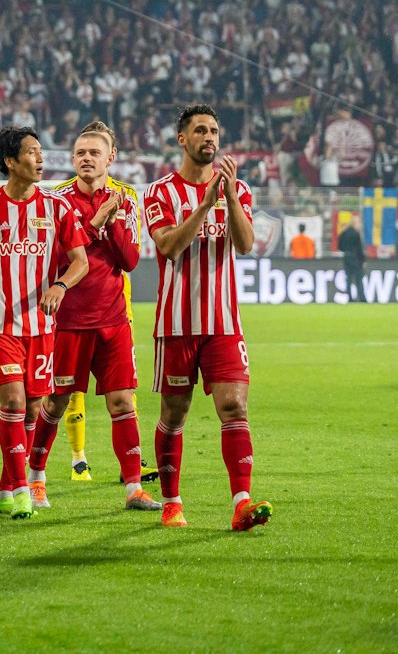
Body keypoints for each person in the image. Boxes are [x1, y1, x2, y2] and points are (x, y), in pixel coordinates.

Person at [145, 103, 273, 532]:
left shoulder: (239, 189)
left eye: (214, 131)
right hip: (176, 325)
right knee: (174, 414)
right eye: (200, 130)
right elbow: (168, 247)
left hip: (223, 322)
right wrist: (203, 206)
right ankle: (171, 502)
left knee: (234, 407)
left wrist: (231, 196)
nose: (210, 138)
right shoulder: (159, 193)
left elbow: (246, 244)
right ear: (182, 139)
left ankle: (241, 504)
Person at [0, 125, 88, 518]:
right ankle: (23, 491)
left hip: (42, 327)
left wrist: (61, 285)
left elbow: (81, 260)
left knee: (31, 409)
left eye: (41, 151)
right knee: (12, 401)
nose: (40, 158)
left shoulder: (58, 208)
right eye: (32, 152)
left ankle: (4, 488)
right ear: (11, 162)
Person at [42, 121, 162, 511]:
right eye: (80, 153)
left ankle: (133, 488)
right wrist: (95, 224)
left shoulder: (127, 197)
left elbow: (128, 261)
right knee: (57, 402)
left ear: (111, 157)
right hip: (68, 320)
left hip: (113, 319)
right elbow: (57, 260)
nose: (86, 159)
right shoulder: (56, 200)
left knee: (123, 403)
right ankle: (36, 479)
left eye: (94, 152)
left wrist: (111, 225)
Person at [338, 220, 366, 302]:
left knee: (349, 279)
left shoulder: (343, 233)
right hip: (355, 258)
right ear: (354, 224)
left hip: (346, 257)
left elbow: (339, 247)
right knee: (359, 279)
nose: (360, 225)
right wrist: (362, 260)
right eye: (359, 223)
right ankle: (362, 298)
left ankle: (349, 298)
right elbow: (359, 249)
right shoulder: (356, 234)